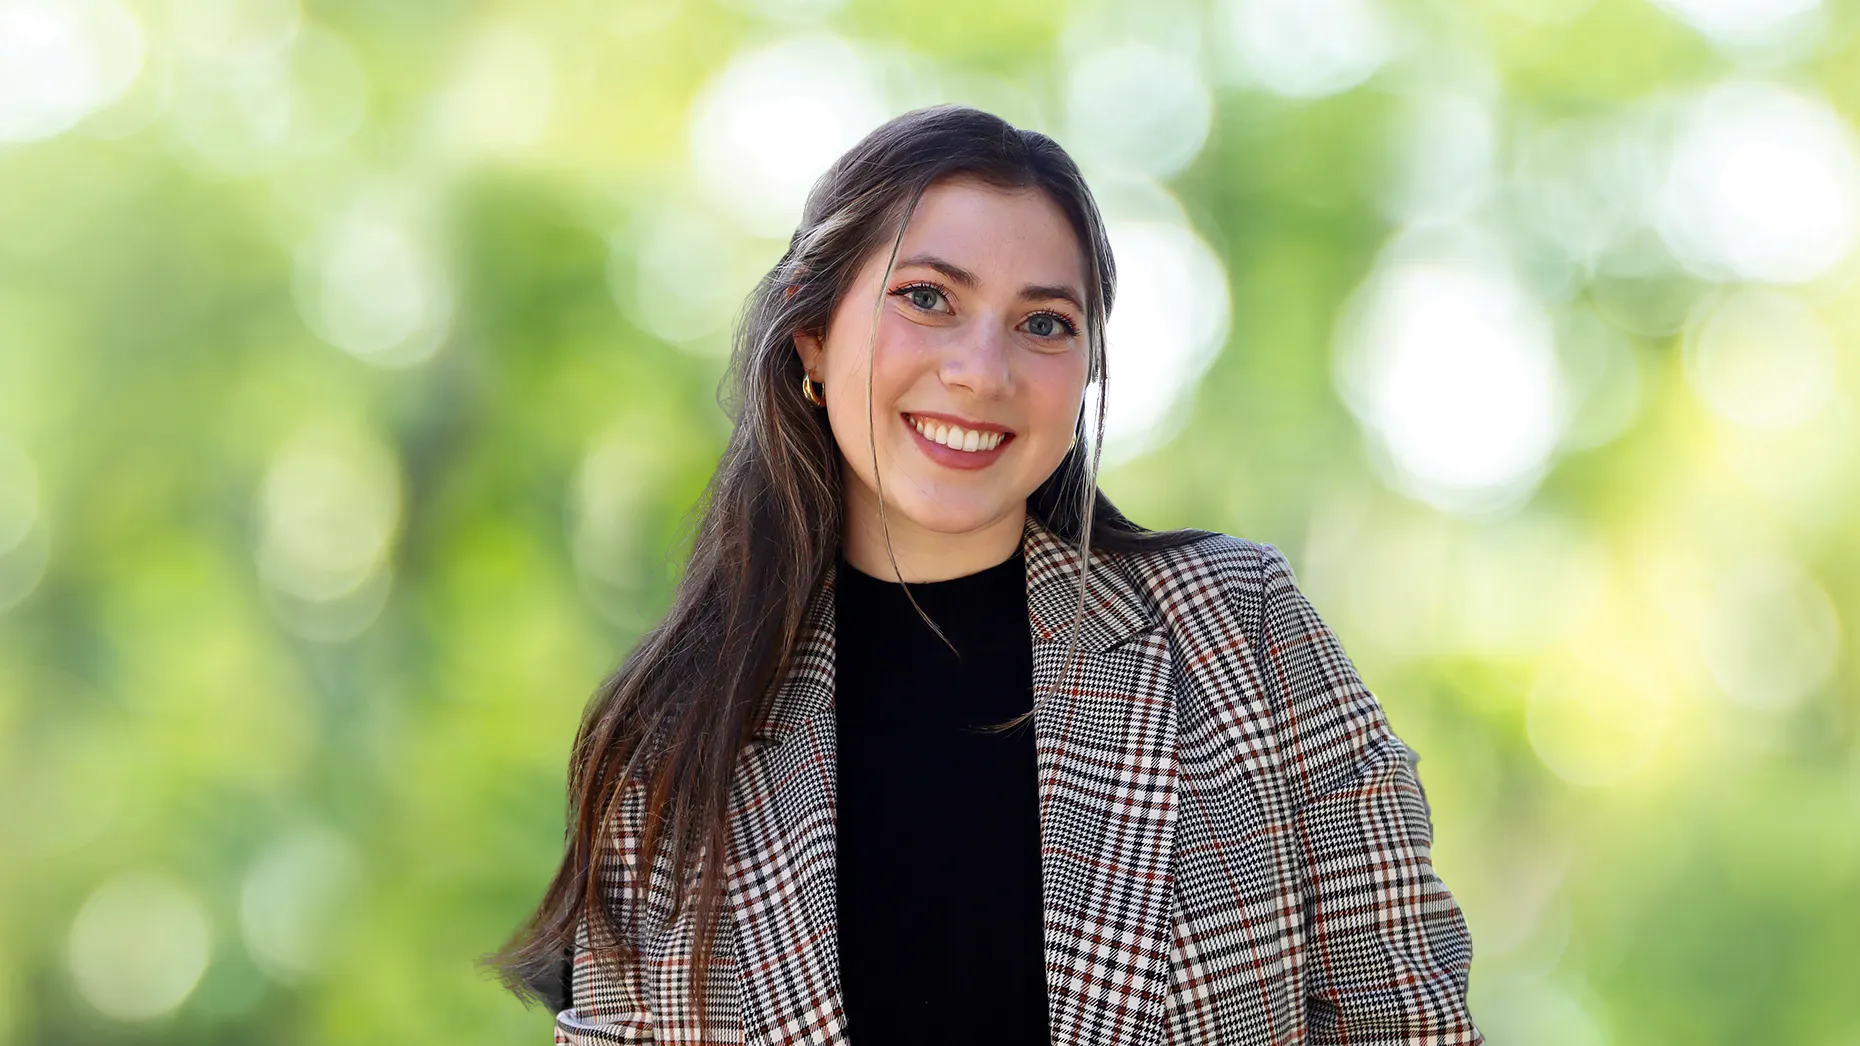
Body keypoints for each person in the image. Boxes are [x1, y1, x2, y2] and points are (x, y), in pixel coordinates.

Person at [488, 104, 1482, 1045]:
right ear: (812, 336)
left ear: (1086, 370)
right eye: (928, 298)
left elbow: (1411, 1021)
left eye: (1044, 322)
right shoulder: (673, 741)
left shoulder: (1238, 631)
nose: (981, 370)